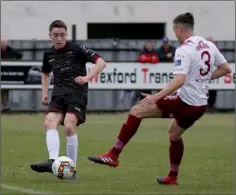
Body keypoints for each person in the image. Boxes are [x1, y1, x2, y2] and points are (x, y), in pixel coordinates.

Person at [88, 12, 231, 185]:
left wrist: (156, 96)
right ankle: (172, 177)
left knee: (136, 110)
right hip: (200, 105)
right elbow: (225, 68)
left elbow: (179, 80)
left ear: (179, 29)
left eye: (174, 30)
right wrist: (202, 79)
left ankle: (113, 155)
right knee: (174, 134)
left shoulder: (184, 49)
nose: (175, 34)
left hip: (185, 101)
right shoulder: (208, 44)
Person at [30, 20, 106, 179]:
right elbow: (45, 73)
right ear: (49, 35)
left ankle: (72, 169)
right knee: (49, 122)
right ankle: (53, 162)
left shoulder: (77, 48)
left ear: (66, 35)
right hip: (58, 94)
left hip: (76, 94)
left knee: (69, 125)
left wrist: (87, 77)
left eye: (62, 35)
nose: (59, 38)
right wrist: (44, 93)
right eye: (55, 35)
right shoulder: (48, 54)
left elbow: (101, 62)